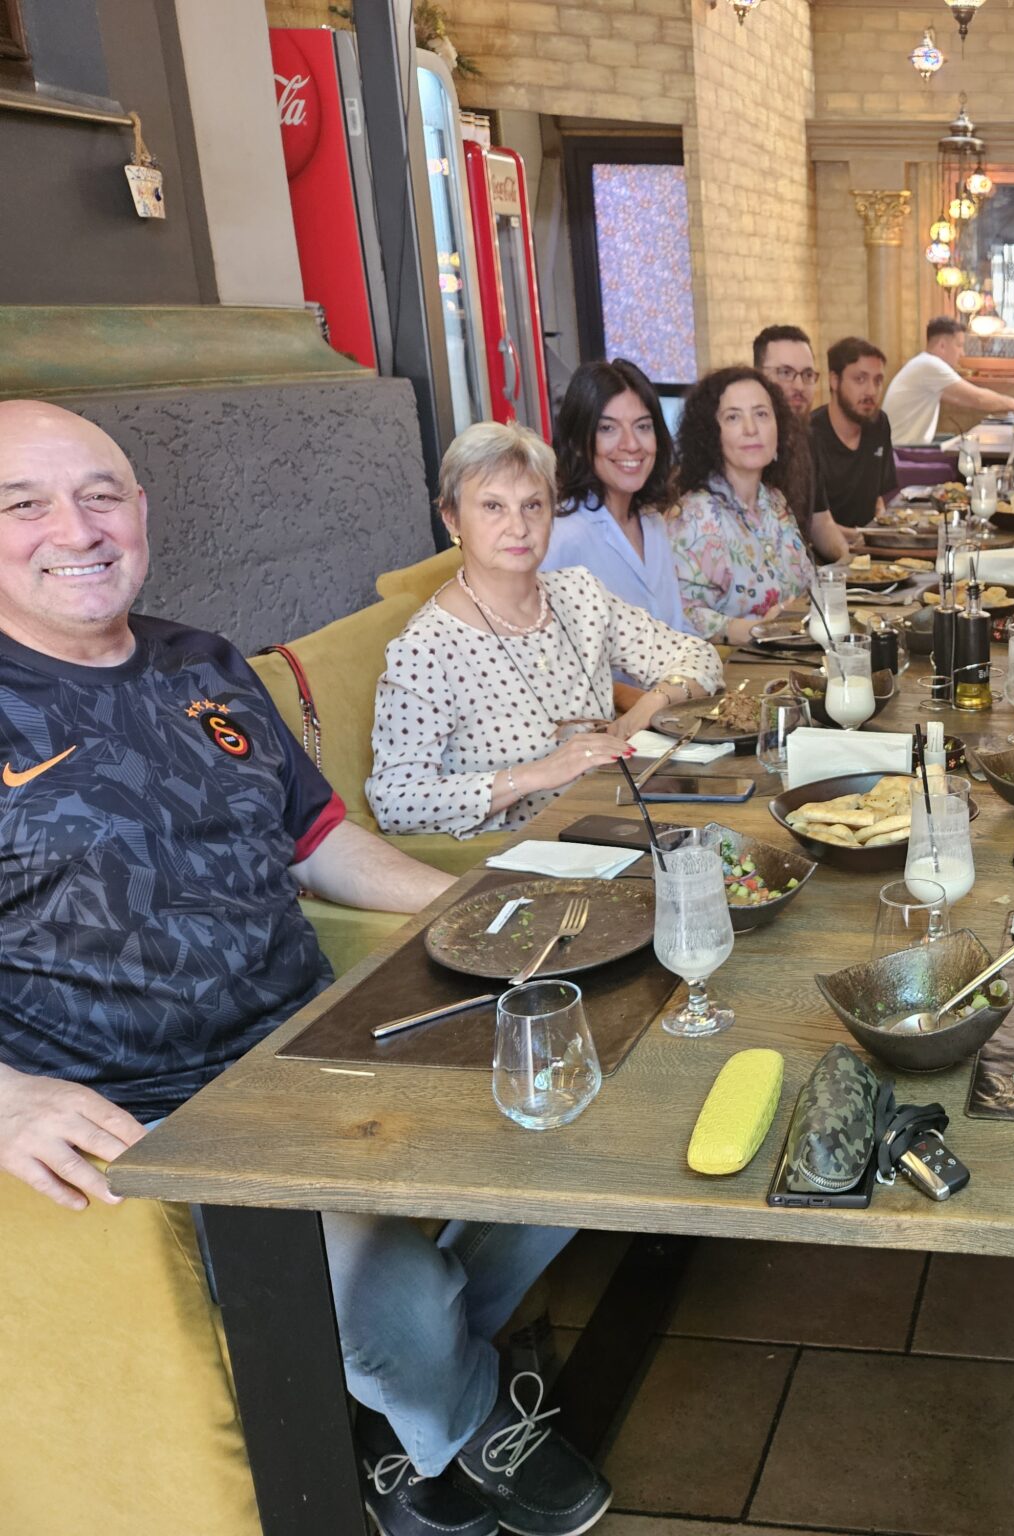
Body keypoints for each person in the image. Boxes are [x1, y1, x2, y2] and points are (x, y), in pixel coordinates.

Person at [0, 400, 615, 1536]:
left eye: (99, 496)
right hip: (161, 1117)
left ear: (141, 511)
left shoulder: (201, 661)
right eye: (22, 504)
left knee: (587, 1106)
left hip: (321, 1033)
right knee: (393, 1306)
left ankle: (402, 1400)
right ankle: (462, 1420)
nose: (74, 530)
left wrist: (474, 905)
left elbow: (319, 840)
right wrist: (5, 1096)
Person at [368, 422, 721, 838]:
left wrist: (647, 707)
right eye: (493, 506)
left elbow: (700, 656)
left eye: (533, 505)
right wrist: (537, 774)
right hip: (530, 853)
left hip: (619, 819)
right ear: (451, 519)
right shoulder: (426, 648)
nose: (518, 527)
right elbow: (395, 799)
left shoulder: (580, 594)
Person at [669, 365, 826, 645]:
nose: (751, 429)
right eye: (733, 417)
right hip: (731, 667)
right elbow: (678, 615)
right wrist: (755, 630)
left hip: (794, 656)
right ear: (710, 434)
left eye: (761, 414)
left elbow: (806, 587)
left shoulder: (775, 502)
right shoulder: (694, 516)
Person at [542, 356, 693, 635]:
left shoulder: (652, 522)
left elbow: (674, 630)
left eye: (643, 426)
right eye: (608, 428)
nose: (631, 444)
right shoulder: (560, 537)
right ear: (577, 443)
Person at [753, 324, 847, 558]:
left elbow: (820, 522)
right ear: (758, 376)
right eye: (785, 373)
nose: (799, 386)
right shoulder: (748, 448)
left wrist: (852, 565)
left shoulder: (806, 438)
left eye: (807, 375)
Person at [880, 316, 1014, 444]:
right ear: (942, 346)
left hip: (901, 448)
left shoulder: (924, 364)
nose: (962, 353)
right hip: (901, 453)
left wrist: (1008, 406)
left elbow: (965, 399)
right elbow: (978, 398)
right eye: (959, 345)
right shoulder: (930, 365)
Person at [812, 335, 899, 531]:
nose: (871, 391)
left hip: (869, 542)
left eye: (878, 381)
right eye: (860, 379)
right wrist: (861, 536)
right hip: (826, 547)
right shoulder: (810, 435)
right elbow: (812, 524)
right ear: (834, 380)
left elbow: (878, 499)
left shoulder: (879, 423)